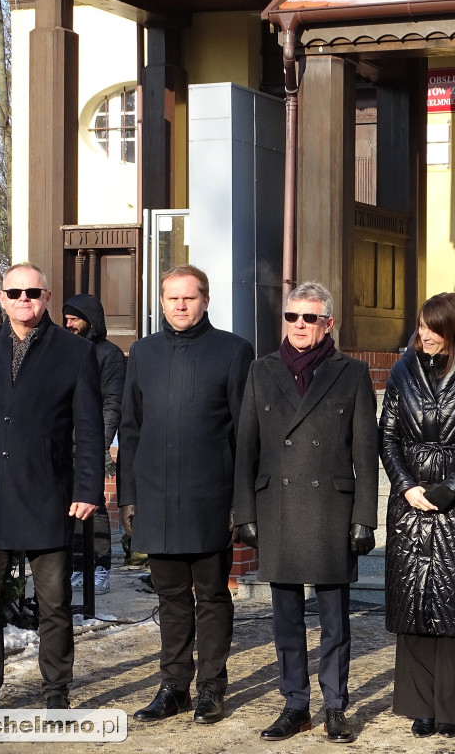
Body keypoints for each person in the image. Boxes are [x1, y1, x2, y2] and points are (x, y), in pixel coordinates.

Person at [0, 263, 104, 719]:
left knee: (54, 603)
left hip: (49, 494)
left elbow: (89, 429)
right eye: (15, 292)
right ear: (3, 297)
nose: (24, 298)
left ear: (46, 297)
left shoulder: (74, 352)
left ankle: (56, 692)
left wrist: (88, 488)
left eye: (33, 291)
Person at [232, 281, 378, 744]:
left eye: (309, 318)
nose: (299, 325)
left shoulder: (351, 373)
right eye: (292, 317)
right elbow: (245, 449)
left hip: (330, 509)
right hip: (277, 507)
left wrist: (364, 517)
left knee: (335, 619)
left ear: (327, 323)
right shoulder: (261, 371)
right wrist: (244, 512)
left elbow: (365, 452)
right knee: (286, 618)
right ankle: (295, 705)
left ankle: (336, 706)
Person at [117, 264, 253, 725]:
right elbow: (130, 430)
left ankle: (212, 688)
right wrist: (128, 497)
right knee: (169, 596)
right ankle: (173, 686)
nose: (179, 305)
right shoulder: (142, 352)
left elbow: (245, 434)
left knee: (212, 595)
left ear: (205, 301)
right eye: (171, 297)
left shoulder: (234, 352)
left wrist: (241, 501)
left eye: (188, 297)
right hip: (154, 496)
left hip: (210, 498)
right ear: (161, 301)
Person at [379, 291, 455, 739]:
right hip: (409, 505)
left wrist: (450, 488)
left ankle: (451, 707)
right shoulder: (401, 372)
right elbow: (387, 436)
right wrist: (407, 485)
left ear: (454, 329)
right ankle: (420, 705)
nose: (425, 335)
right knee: (413, 605)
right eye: (421, 326)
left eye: (434, 328)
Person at [63, 293, 127, 595]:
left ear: (91, 321)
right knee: (69, 504)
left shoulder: (110, 355)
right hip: (62, 440)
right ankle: (78, 565)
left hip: (91, 441)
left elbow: (113, 402)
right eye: (66, 318)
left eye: (74, 318)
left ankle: (101, 567)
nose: (68, 324)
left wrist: (100, 445)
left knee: (94, 505)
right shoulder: (63, 350)